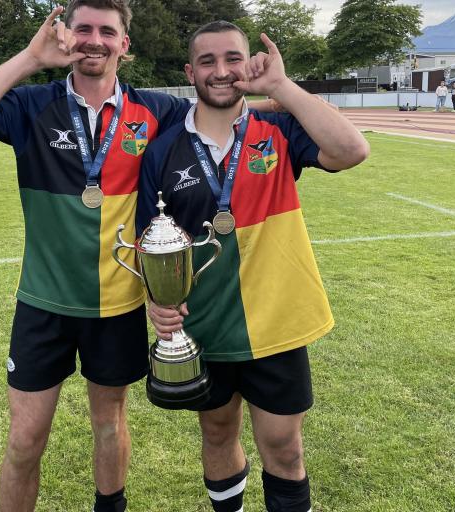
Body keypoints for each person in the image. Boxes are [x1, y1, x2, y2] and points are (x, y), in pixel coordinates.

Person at [0, 2, 280, 511]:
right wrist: (31, 58)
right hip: (44, 303)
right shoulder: (33, 105)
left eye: (107, 31)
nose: (94, 40)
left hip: (118, 306)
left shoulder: (157, 110)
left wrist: (267, 84)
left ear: (124, 45)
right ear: (68, 38)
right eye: (84, 29)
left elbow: (233, 105)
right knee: (25, 439)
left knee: (108, 424)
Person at [136, 21, 369, 512]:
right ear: (190, 72)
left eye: (232, 59)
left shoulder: (279, 130)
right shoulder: (162, 151)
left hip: (277, 323)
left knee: (284, 447)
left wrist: (281, 87)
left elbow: (352, 151)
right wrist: (158, 304)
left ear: (249, 65)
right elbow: (149, 245)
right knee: (218, 433)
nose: (221, 71)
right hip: (207, 325)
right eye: (207, 61)